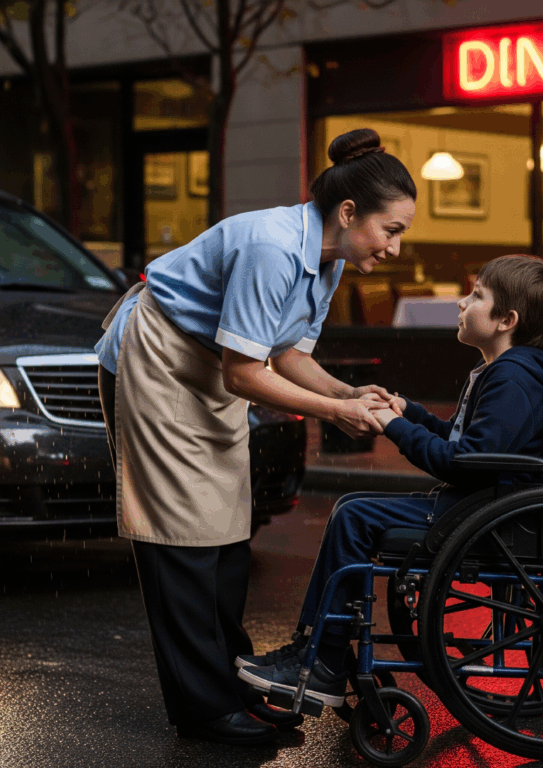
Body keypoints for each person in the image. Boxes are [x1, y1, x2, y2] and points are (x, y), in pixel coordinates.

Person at [95, 128, 416, 746]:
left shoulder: (330, 260)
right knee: (179, 537)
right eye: (392, 230)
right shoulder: (271, 246)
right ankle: (203, 708)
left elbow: (288, 353)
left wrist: (344, 393)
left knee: (226, 535)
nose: (396, 248)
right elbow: (245, 371)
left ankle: (236, 682)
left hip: (212, 369)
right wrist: (330, 410)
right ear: (348, 213)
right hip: (163, 358)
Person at [237, 254, 543, 707]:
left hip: (486, 515)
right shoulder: (511, 371)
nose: (462, 302)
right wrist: (408, 412)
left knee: (354, 514)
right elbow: (467, 443)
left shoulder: (512, 378)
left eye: (477, 295)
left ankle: (324, 661)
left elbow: (461, 462)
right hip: (484, 504)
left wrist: (391, 428)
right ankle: (317, 651)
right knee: (353, 507)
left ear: (505, 320)